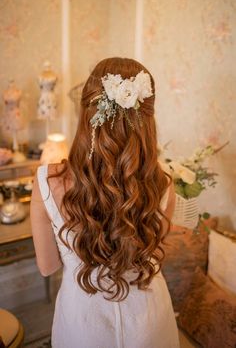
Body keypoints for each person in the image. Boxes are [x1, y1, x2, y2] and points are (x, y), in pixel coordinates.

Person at [30, 57, 180, 348]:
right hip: (150, 322)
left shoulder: (46, 182)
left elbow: (47, 267)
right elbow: (155, 253)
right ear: (147, 118)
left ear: (88, 113)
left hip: (84, 326)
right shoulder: (163, 184)